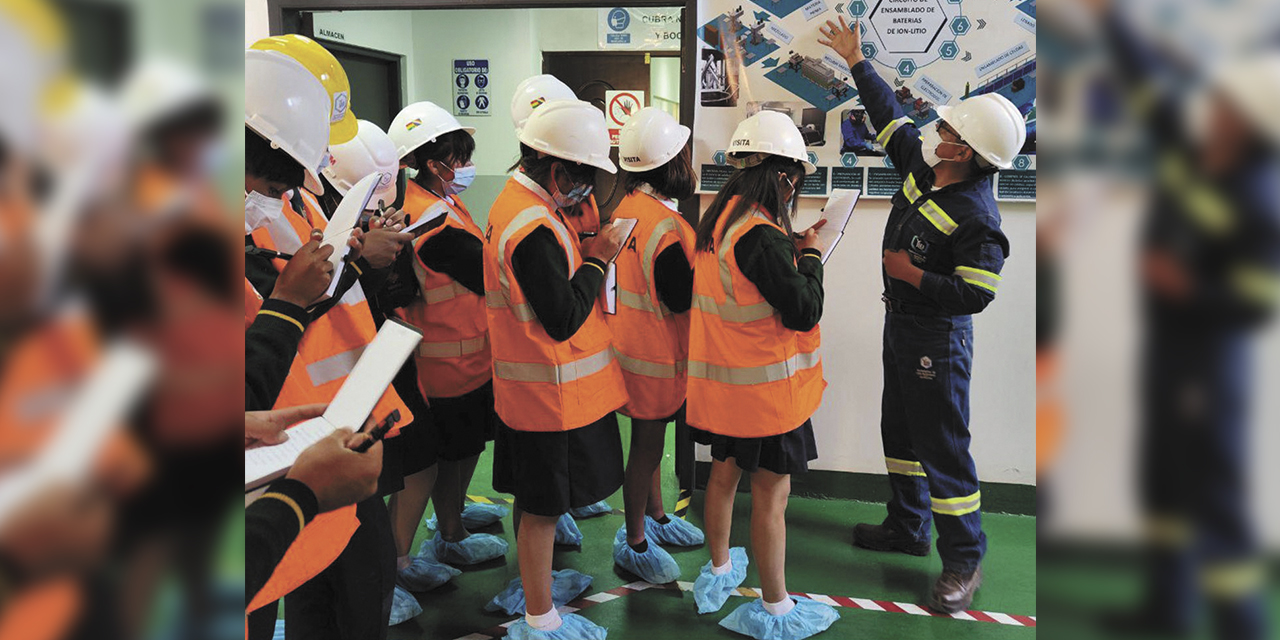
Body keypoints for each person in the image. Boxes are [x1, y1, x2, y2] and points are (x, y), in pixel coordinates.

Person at [819, 16, 1024, 613]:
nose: (939, 128)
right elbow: (891, 117)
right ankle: (908, 528)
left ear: (966, 151)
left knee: (942, 445)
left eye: (951, 128)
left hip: (936, 335)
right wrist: (857, 61)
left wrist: (913, 276)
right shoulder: (926, 169)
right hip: (902, 326)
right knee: (901, 431)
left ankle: (964, 559)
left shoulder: (978, 215)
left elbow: (977, 293)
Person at [243, 43, 407, 640]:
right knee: (296, 586)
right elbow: (280, 297)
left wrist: (360, 253)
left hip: (339, 419)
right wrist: (340, 274)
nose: (275, 188)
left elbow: (317, 279)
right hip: (279, 444)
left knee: (354, 584)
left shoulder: (300, 197)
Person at [685, 110, 838, 640]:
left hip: (727, 391)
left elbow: (746, 284)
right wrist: (813, 256)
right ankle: (776, 608)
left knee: (723, 477)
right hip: (766, 397)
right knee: (772, 499)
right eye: (797, 178)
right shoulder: (762, 234)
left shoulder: (724, 218)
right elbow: (802, 310)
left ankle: (721, 569)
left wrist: (791, 248)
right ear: (784, 175)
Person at [483, 99, 630, 640]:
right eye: (584, 179)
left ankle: (535, 590)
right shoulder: (533, 225)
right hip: (547, 392)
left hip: (533, 388)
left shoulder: (522, 206)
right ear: (558, 169)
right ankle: (539, 618)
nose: (587, 192)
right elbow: (563, 316)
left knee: (534, 501)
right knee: (543, 509)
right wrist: (600, 258)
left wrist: (584, 251)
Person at [606, 107, 704, 586]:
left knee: (652, 443)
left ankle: (659, 518)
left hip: (625, 349)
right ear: (671, 164)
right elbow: (681, 297)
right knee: (645, 451)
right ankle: (636, 540)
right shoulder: (667, 228)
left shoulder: (625, 210)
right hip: (654, 357)